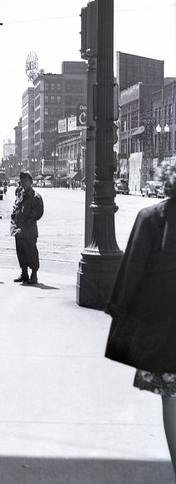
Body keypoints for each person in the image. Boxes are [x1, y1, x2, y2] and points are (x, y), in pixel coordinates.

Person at [105, 164, 176, 477]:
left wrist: (120, 319)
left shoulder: (151, 218)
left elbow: (131, 274)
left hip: (164, 331)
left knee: (171, 399)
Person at [10, 170, 44, 284]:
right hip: (18, 231)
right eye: (22, 181)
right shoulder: (19, 195)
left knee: (31, 252)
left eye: (26, 181)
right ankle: (24, 273)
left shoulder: (36, 197)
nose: (23, 183)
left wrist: (25, 224)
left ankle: (34, 275)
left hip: (29, 231)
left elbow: (38, 213)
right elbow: (15, 211)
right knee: (21, 252)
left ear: (31, 182)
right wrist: (14, 225)